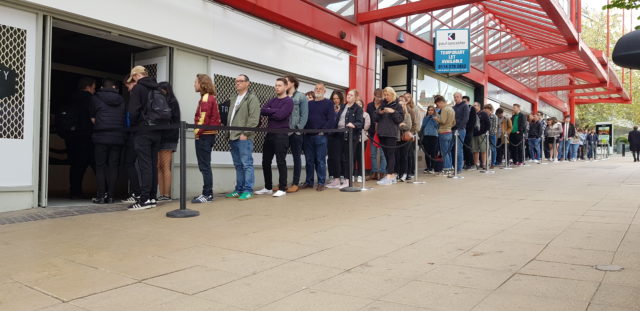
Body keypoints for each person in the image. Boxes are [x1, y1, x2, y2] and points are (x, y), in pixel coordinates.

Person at [127, 66, 164, 210]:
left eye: (133, 78)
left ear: (136, 75)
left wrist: (134, 125)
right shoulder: (158, 89)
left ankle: (144, 199)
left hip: (143, 130)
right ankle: (153, 197)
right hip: (157, 131)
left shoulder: (138, 88)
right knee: (153, 164)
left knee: (145, 165)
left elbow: (133, 111)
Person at [224, 74, 261, 200]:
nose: (237, 83)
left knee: (246, 164)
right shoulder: (234, 98)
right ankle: (238, 189)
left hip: (244, 137)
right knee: (238, 165)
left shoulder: (252, 98)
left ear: (247, 83)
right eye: (236, 81)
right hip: (232, 136)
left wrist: (245, 134)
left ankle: (248, 190)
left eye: (241, 81)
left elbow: (254, 119)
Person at [255, 78, 293, 197]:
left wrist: (271, 111)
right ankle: (268, 187)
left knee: (280, 161)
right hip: (270, 134)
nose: (277, 87)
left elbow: (281, 115)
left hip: (281, 134)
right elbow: (262, 110)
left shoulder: (289, 101)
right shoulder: (272, 100)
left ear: (286, 87)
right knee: (265, 161)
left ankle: (282, 188)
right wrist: (274, 111)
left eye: (279, 85)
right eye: (276, 85)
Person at [89, 79, 125, 204]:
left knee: (100, 166)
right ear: (114, 87)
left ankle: (100, 196)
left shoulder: (95, 98)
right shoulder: (121, 99)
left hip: (101, 136)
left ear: (102, 87)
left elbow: (93, 119)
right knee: (113, 167)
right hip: (117, 137)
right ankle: (110, 196)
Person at [192, 74, 221, 204]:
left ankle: (207, 194)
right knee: (205, 165)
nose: (194, 84)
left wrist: (196, 132)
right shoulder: (210, 98)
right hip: (208, 135)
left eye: (196, 82)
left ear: (202, 84)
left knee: (204, 166)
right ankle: (207, 193)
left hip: (205, 135)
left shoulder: (206, 98)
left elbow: (203, 119)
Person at [327, 89, 364, 188]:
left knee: (348, 159)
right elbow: (338, 120)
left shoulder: (358, 109)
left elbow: (361, 123)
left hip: (350, 136)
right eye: (348, 95)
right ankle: (337, 179)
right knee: (336, 157)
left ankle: (347, 180)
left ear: (355, 97)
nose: (348, 96)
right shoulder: (343, 106)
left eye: (351, 95)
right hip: (338, 134)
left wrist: (354, 124)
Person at [302, 83, 335, 191]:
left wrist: (323, 131)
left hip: (321, 136)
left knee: (320, 160)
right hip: (308, 136)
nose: (318, 90)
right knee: (309, 160)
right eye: (316, 88)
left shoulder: (329, 103)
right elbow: (305, 118)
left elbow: (331, 120)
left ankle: (321, 182)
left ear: (325, 91)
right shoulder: (309, 104)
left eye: (320, 89)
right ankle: (309, 182)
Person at [67, 77, 96, 199]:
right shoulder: (92, 100)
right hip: (89, 137)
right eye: (94, 87)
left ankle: (75, 191)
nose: (94, 90)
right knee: (97, 165)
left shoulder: (71, 99)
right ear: (88, 87)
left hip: (73, 137)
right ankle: (105, 191)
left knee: (76, 166)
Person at [283, 75, 308, 193]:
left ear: (293, 83)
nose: (284, 83)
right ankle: (282, 183)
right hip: (283, 131)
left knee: (296, 158)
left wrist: (298, 128)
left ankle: (295, 183)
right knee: (280, 157)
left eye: (286, 82)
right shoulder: (282, 96)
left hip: (295, 132)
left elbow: (304, 115)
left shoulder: (301, 97)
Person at [374, 87, 404, 185]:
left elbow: (399, 119)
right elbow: (375, 117)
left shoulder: (398, 105)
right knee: (386, 154)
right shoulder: (382, 104)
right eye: (385, 95)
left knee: (391, 154)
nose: (386, 97)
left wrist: (393, 112)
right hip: (382, 133)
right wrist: (380, 112)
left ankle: (390, 175)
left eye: (388, 95)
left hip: (391, 134)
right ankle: (391, 175)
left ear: (392, 94)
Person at [157, 82, 181, 201]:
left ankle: (166, 195)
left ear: (166, 90)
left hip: (168, 137)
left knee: (165, 166)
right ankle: (162, 194)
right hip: (161, 137)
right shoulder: (169, 102)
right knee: (159, 166)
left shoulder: (171, 103)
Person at [121, 75, 140, 203]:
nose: (128, 89)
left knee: (129, 162)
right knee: (146, 164)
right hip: (144, 132)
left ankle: (136, 192)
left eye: (128, 86)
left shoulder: (135, 96)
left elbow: (130, 117)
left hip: (135, 133)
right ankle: (147, 194)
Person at [366, 89, 387, 181]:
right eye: (377, 96)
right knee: (373, 154)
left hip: (382, 132)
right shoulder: (369, 105)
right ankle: (374, 172)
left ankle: (382, 172)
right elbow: (367, 118)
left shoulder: (384, 105)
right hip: (372, 132)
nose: (379, 99)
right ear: (374, 95)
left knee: (383, 154)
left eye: (380, 97)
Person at [433, 95, 455, 175]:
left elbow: (442, 121)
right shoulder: (451, 109)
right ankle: (450, 167)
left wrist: (436, 118)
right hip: (449, 132)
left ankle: (446, 168)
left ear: (441, 102)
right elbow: (454, 122)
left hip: (443, 132)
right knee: (448, 152)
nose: (437, 106)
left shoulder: (445, 109)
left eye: (437, 104)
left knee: (444, 152)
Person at [395, 96, 413, 182]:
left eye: (402, 105)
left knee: (404, 156)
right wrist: (400, 125)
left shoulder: (407, 115)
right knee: (397, 156)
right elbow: (394, 126)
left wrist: (400, 126)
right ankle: (398, 173)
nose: (401, 106)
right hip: (397, 138)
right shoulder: (395, 115)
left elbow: (408, 126)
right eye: (399, 105)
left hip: (406, 138)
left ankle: (405, 173)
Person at [327, 91, 345, 181]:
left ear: (340, 99)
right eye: (334, 99)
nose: (335, 100)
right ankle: (331, 175)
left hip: (339, 134)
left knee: (340, 155)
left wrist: (338, 112)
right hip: (330, 134)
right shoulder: (329, 108)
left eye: (337, 98)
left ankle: (340, 174)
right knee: (330, 156)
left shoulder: (344, 108)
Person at [451, 92, 469, 173]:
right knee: (452, 149)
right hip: (452, 130)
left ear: (461, 97)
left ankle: (458, 168)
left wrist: (458, 128)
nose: (455, 98)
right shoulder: (453, 107)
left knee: (458, 150)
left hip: (460, 130)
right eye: (454, 97)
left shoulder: (465, 106)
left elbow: (465, 119)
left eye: (457, 97)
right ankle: (453, 167)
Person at [354, 99, 371, 183]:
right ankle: (353, 175)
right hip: (353, 138)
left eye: (360, 104)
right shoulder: (352, 114)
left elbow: (366, 126)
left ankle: (360, 175)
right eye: (357, 104)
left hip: (362, 138)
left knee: (360, 157)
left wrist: (358, 125)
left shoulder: (366, 114)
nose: (358, 105)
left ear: (362, 105)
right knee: (352, 157)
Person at [403, 93, 419, 180]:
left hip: (411, 133)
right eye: (405, 97)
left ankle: (411, 171)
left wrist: (412, 133)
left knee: (410, 154)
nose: (406, 98)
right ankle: (407, 171)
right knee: (407, 153)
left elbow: (415, 122)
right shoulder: (403, 107)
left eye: (408, 97)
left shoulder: (413, 108)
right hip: (404, 134)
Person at [419, 105, 439, 173]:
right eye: (429, 110)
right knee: (427, 153)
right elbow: (423, 126)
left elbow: (438, 127)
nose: (430, 111)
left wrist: (435, 120)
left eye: (432, 110)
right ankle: (428, 167)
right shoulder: (425, 118)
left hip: (434, 136)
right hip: (426, 136)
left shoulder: (436, 117)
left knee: (433, 152)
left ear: (434, 111)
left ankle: (433, 167)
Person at [471, 101, 490, 169]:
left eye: (475, 105)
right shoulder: (472, 114)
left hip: (482, 134)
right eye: (473, 106)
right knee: (475, 150)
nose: (474, 107)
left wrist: (484, 132)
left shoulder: (484, 113)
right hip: (474, 134)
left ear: (479, 106)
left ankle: (484, 164)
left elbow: (488, 124)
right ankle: (477, 164)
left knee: (483, 150)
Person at [463, 96, 476, 170]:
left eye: (464, 101)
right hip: (463, 130)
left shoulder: (472, 108)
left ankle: (471, 163)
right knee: (464, 147)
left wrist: (468, 129)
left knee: (468, 147)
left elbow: (472, 121)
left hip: (469, 131)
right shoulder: (462, 108)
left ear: (468, 101)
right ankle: (466, 163)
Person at [484, 104, 498, 168]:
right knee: (486, 149)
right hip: (485, 135)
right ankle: (486, 162)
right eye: (485, 109)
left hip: (492, 134)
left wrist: (489, 133)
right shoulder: (485, 116)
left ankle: (493, 163)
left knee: (493, 149)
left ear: (490, 110)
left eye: (487, 109)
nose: (485, 110)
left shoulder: (494, 116)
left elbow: (494, 127)